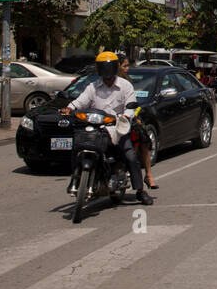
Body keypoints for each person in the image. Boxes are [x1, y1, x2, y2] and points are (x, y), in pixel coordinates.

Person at [62, 51, 152, 205]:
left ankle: (140, 190)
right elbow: (80, 101)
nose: (107, 71)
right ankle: (76, 178)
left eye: (109, 66)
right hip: (96, 129)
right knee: (78, 148)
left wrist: (126, 116)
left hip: (117, 128)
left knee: (130, 156)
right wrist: (70, 108)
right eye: (103, 67)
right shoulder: (93, 87)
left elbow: (131, 105)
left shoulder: (125, 86)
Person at [118, 55, 157, 190]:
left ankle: (148, 175)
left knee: (143, 138)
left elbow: (132, 103)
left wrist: (134, 116)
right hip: (110, 119)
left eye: (127, 65)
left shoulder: (127, 82)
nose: (127, 69)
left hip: (127, 117)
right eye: (125, 66)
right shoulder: (105, 82)